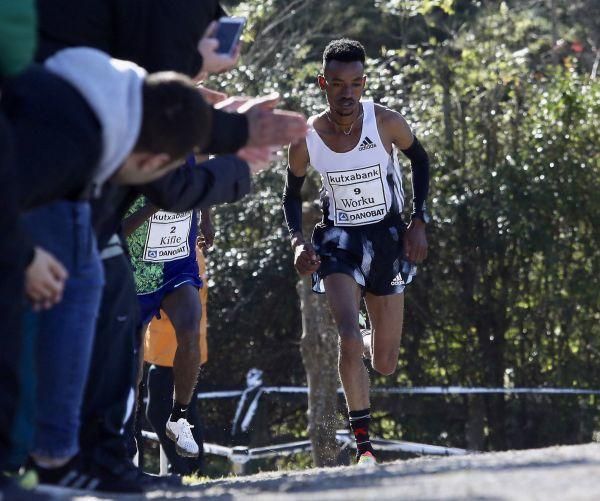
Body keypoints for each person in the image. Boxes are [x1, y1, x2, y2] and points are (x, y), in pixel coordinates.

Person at [282, 39, 431, 465]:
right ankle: (364, 447)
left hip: (386, 237)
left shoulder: (385, 122)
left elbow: (420, 160)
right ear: (322, 84)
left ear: (364, 83)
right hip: (338, 242)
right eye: (337, 84)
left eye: (355, 83)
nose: (347, 93)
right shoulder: (306, 139)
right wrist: (297, 241)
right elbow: (290, 196)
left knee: (384, 363)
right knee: (346, 337)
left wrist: (418, 221)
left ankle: (368, 341)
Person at [122, 176, 213, 459]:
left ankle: (179, 418)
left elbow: (206, 176)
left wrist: (207, 218)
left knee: (190, 329)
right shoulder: (131, 155)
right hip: (136, 272)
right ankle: (125, 434)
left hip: (178, 264)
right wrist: (153, 207)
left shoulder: (192, 144)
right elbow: (114, 230)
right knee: (133, 359)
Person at [143, 236, 210, 475]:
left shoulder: (179, 255)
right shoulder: (191, 251)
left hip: (173, 351)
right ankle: (190, 467)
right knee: (186, 409)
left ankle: (186, 468)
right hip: (172, 348)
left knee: (160, 411)